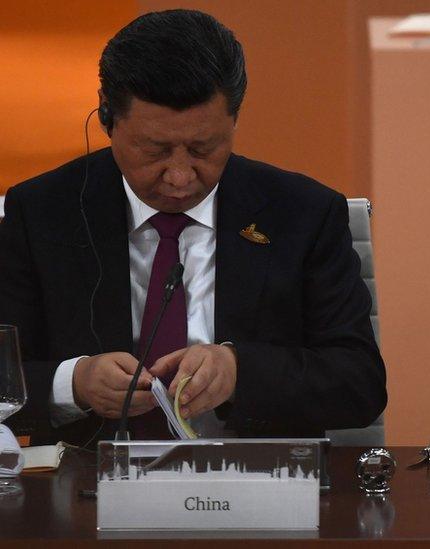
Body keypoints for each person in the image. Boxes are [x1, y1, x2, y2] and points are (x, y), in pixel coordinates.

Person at [0, 10, 386, 445]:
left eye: (204, 148)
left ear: (234, 120)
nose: (180, 177)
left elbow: (360, 383)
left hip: (258, 490)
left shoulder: (304, 213)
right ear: (107, 118)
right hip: (91, 492)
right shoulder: (42, 212)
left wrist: (241, 371)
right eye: (154, 150)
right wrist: (73, 382)